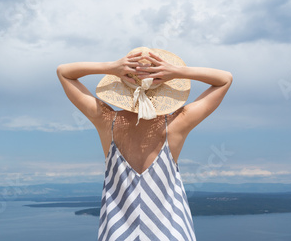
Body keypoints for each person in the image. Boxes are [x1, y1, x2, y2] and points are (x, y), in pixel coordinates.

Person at [56, 46, 233, 241]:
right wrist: (176, 72)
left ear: (121, 85)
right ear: (162, 88)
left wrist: (111, 67)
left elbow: (64, 73)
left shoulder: (107, 121)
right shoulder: (175, 124)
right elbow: (224, 79)